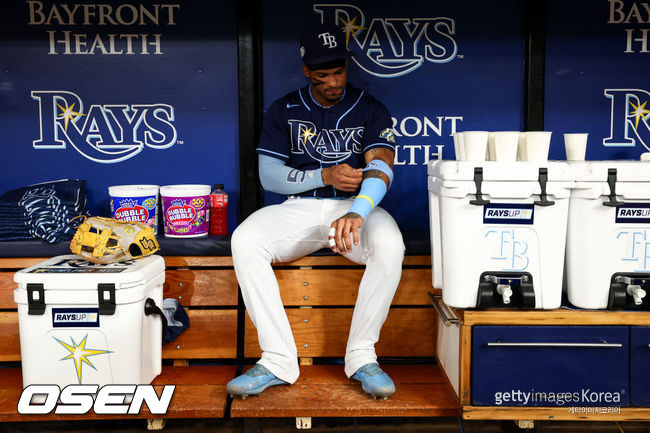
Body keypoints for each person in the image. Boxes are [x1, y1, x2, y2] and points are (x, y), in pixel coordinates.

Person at [227, 23, 405, 399]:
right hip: (300, 208)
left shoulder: (370, 108)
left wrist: (359, 210)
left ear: (347, 67)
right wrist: (322, 174)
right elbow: (269, 176)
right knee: (245, 239)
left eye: (338, 72)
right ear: (307, 72)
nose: (332, 82)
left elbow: (382, 165)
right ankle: (277, 359)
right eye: (322, 75)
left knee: (390, 244)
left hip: (355, 208)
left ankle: (362, 357)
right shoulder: (284, 109)